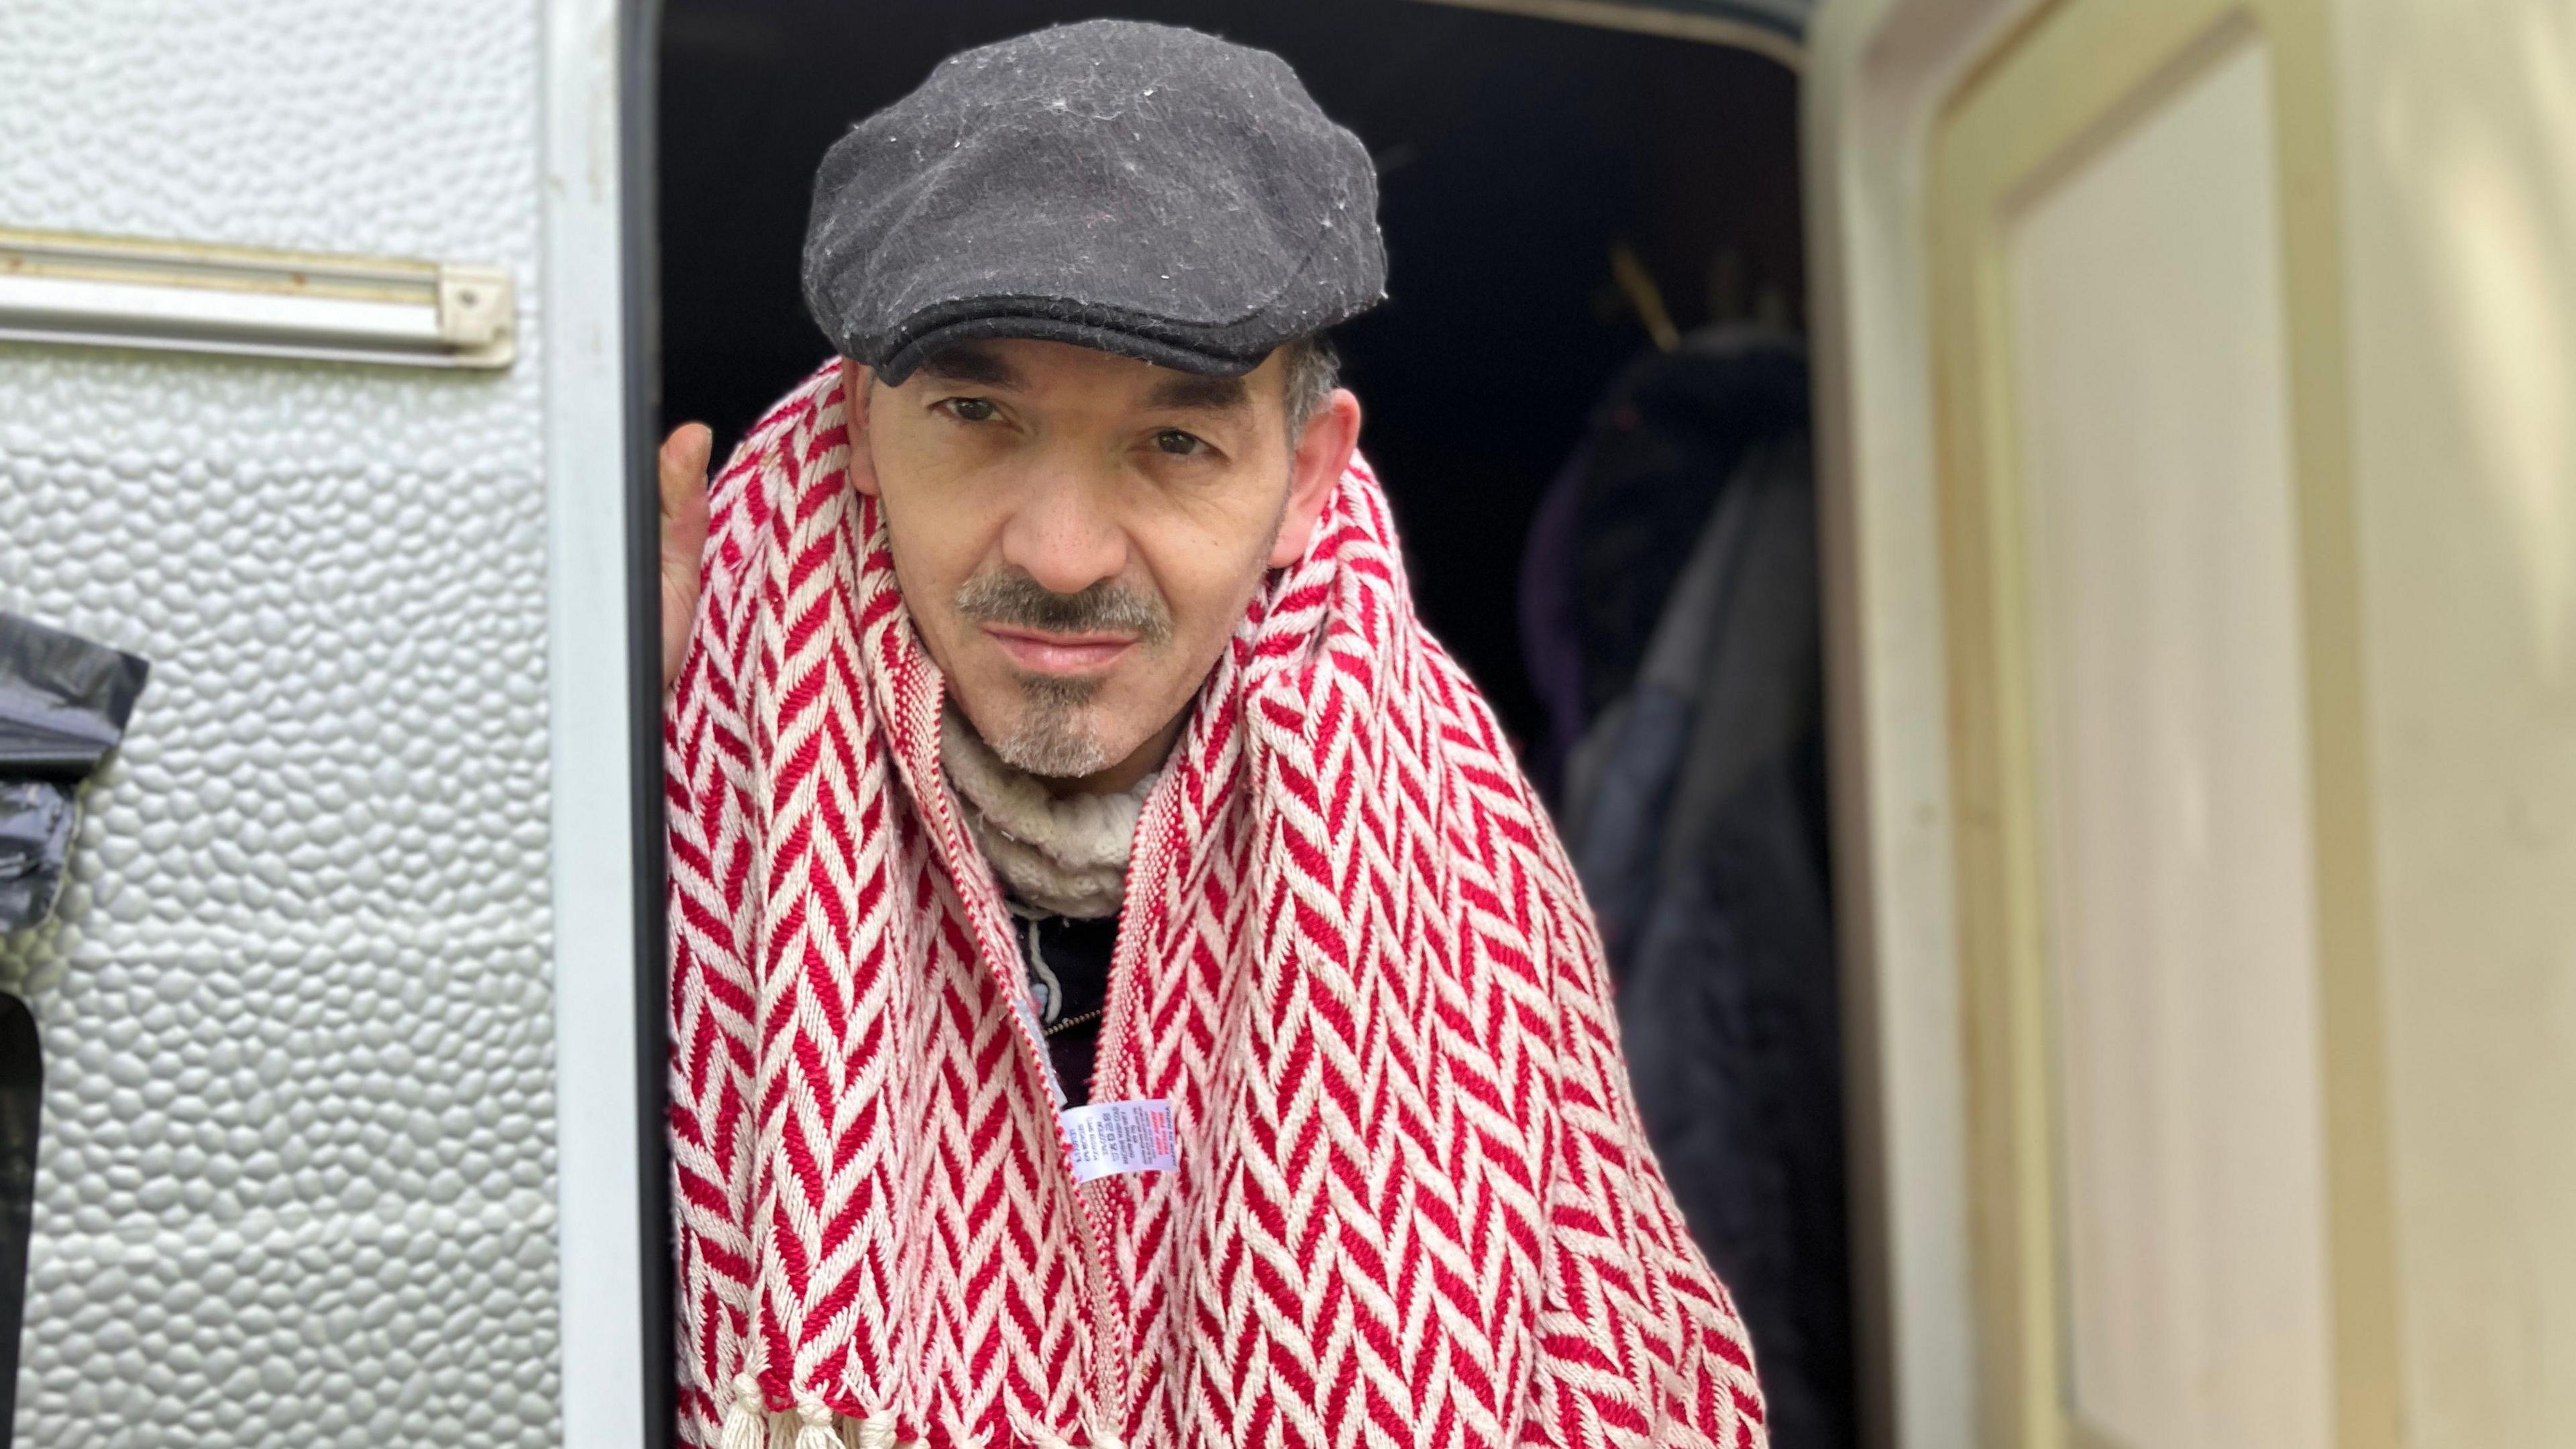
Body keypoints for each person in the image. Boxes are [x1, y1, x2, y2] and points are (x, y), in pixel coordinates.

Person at [655, 21, 1766, 1449]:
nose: (1061, 555)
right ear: (865, 431)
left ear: (1307, 477)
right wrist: (583, 791)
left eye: (1175, 444)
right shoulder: (677, 774)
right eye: (977, 414)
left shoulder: (1457, 858)